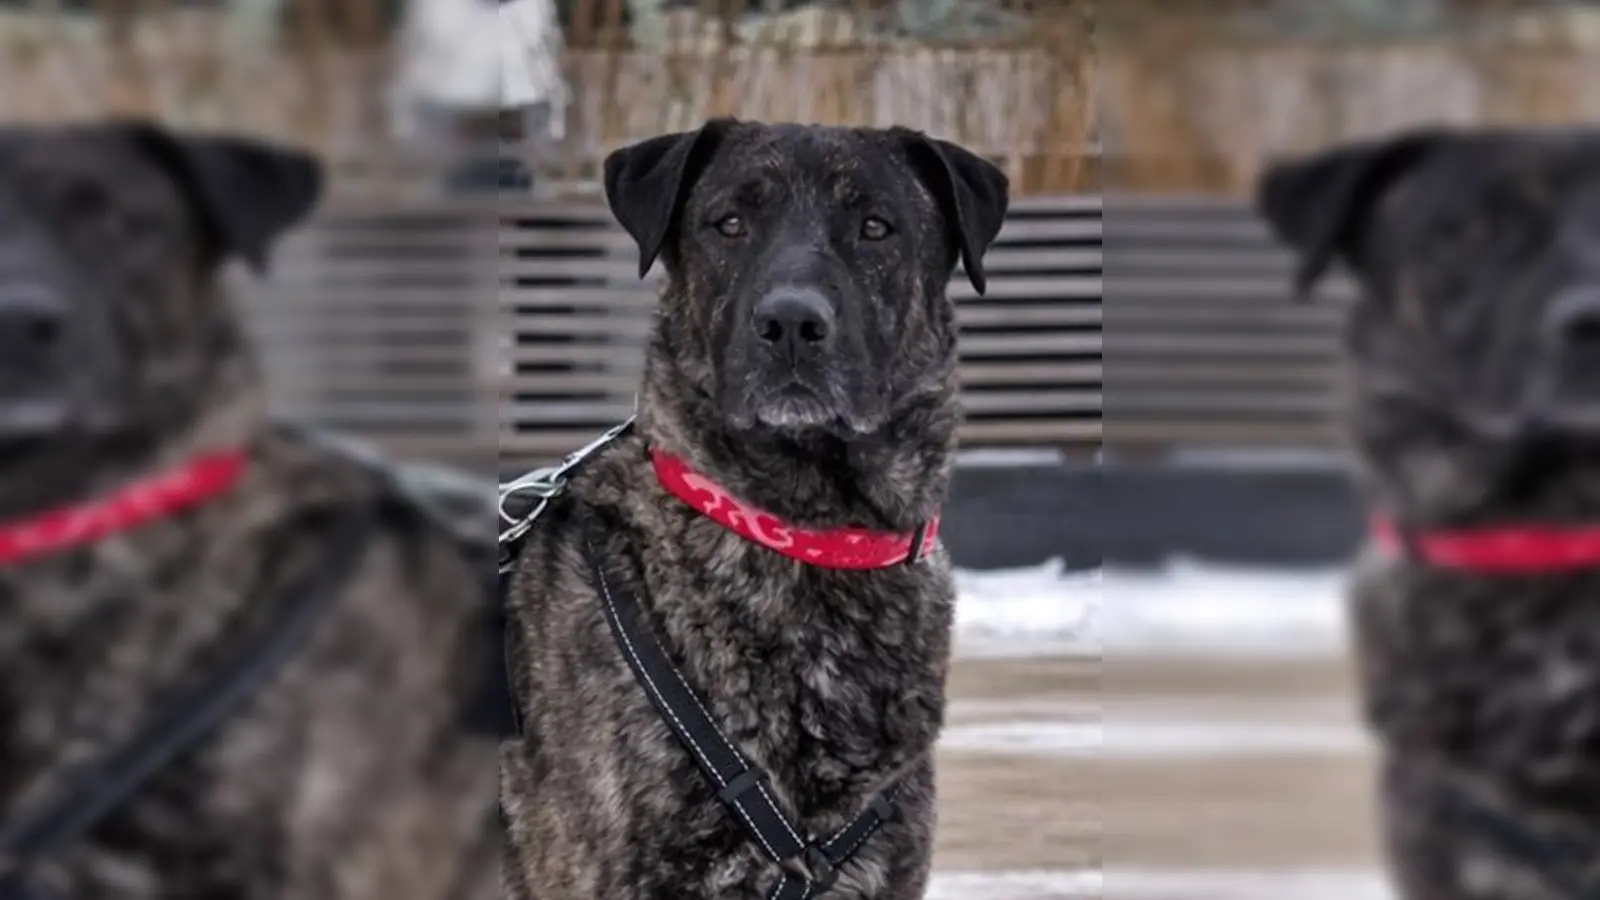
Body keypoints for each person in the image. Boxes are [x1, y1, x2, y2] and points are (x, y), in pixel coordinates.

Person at [391, 0, 569, 193]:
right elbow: (412, 91)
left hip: (520, 157)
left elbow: (551, 88)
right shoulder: (436, 10)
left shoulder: (533, 8)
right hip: (448, 150)